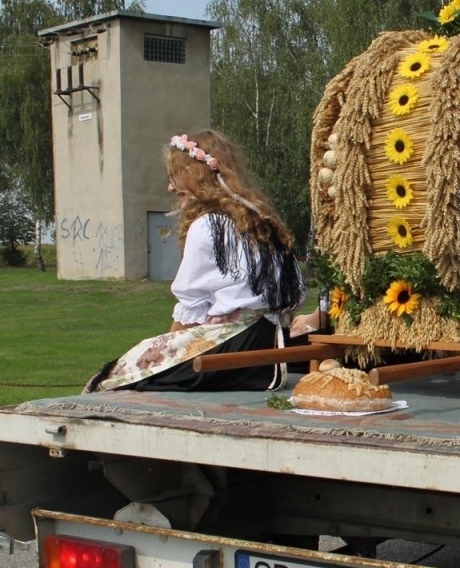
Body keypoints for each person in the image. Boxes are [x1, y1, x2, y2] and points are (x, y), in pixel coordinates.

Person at [87, 131, 317, 393]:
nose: (171, 187)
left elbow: (189, 310)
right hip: (269, 345)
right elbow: (292, 295)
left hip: (232, 348)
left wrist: (166, 349)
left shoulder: (209, 225)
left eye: (175, 177)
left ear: (196, 176)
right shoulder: (265, 224)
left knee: (118, 376)